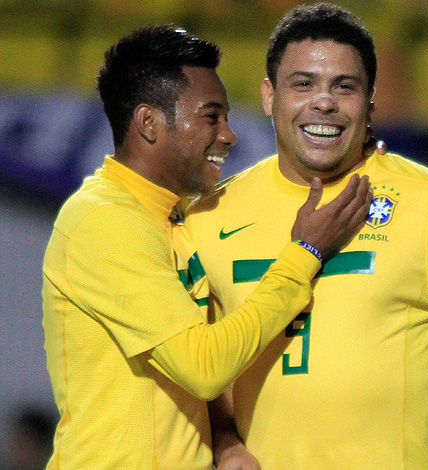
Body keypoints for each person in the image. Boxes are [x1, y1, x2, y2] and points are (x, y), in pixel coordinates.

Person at [186, 4, 428, 469]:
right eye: (303, 84)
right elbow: (195, 372)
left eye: (344, 87)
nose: (324, 102)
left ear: (370, 101)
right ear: (269, 95)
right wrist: (229, 446)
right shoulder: (208, 217)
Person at [41, 24, 371, 470]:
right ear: (149, 123)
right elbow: (202, 367)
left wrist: (224, 441)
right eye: (212, 117)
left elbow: (180, 372)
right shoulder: (104, 221)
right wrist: (305, 254)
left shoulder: (171, 218)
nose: (229, 136)